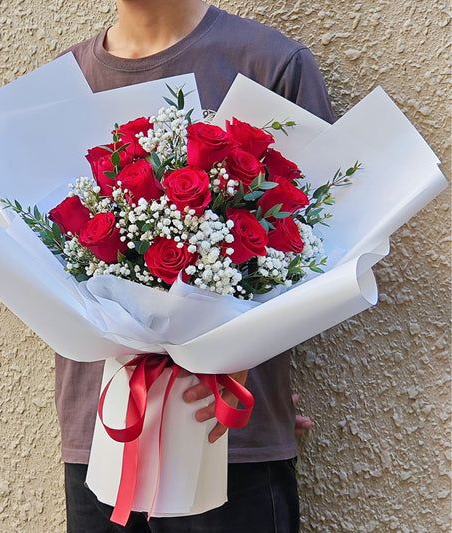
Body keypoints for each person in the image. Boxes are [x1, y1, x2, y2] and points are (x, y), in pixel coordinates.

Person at [55, 1, 334, 531]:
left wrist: (244, 355)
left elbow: (326, 246)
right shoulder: (63, 87)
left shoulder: (270, 64)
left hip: (226, 436)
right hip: (100, 438)